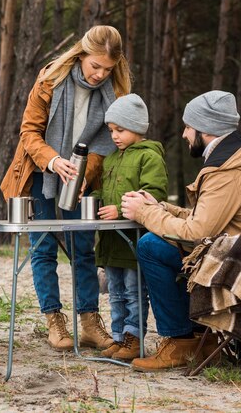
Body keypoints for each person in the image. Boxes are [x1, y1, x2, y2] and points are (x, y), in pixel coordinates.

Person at [121, 90, 241, 371]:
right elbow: (210, 220)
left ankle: (182, 340)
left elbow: (197, 232)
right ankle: (203, 339)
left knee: (151, 246)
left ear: (206, 129)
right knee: (164, 243)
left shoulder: (227, 171)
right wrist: (162, 207)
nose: (184, 134)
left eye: (188, 127)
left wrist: (144, 213)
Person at [0, 25, 131, 351]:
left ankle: (88, 322)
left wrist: (89, 173)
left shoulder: (115, 91)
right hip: (42, 173)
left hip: (81, 179)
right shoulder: (50, 81)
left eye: (107, 68)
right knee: (43, 248)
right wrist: (54, 160)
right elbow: (29, 133)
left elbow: (109, 142)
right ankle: (55, 322)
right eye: (95, 66)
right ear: (81, 55)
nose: (100, 74)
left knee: (83, 248)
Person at [92, 94, 168, 361]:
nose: (114, 136)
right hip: (111, 241)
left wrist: (118, 208)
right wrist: (93, 197)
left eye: (120, 130)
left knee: (134, 292)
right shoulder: (111, 159)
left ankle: (135, 339)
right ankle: (118, 337)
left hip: (134, 240)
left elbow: (153, 193)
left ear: (136, 127)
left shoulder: (149, 157)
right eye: (111, 130)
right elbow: (106, 188)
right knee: (115, 293)